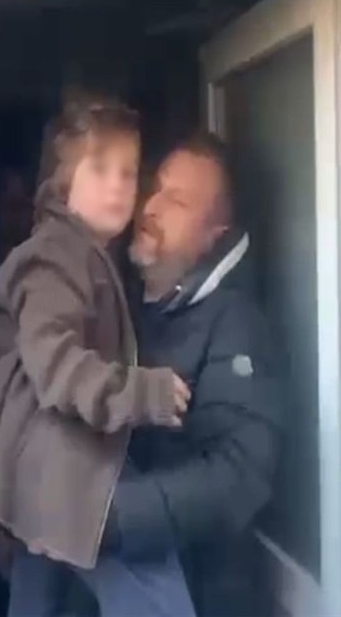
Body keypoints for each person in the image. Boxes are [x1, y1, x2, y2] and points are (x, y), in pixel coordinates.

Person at [0, 95, 194, 617]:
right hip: (57, 463)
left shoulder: (84, 254)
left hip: (32, 473)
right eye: (100, 168)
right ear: (63, 183)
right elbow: (58, 368)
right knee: (152, 583)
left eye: (129, 172)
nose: (118, 185)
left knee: (38, 601)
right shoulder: (54, 256)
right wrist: (144, 392)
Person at [103, 133, 284, 616]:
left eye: (178, 201)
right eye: (156, 188)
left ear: (214, 234)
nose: (151, 207)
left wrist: (110, 514)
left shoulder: (236, 324)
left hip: (203, 594)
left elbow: (238, 475)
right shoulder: (125, 302)